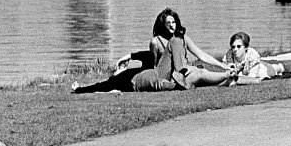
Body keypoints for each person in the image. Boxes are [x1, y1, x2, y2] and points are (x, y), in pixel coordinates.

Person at [73, 8, 235, 93]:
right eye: (168, 23)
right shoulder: (156, 42)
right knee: (112, 82)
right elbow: (151, 62)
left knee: (200, 73)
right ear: (162, 25)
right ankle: (81, 89)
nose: (172, 26)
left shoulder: (182, 39)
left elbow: (202, 54)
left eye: (174, 22)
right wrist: (131, 57)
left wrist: (223, 65)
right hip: (158, 73)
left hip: (178, 73)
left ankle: (228, 76)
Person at [222, 32, 286, 84]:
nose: (235, 49)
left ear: (246, 47)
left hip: (260, 70)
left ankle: (279, 67)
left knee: (273, 69)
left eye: (239, 46)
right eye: (233, 47)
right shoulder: (228, 57)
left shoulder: (252, 55)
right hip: (245, 71)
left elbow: (252, 77)